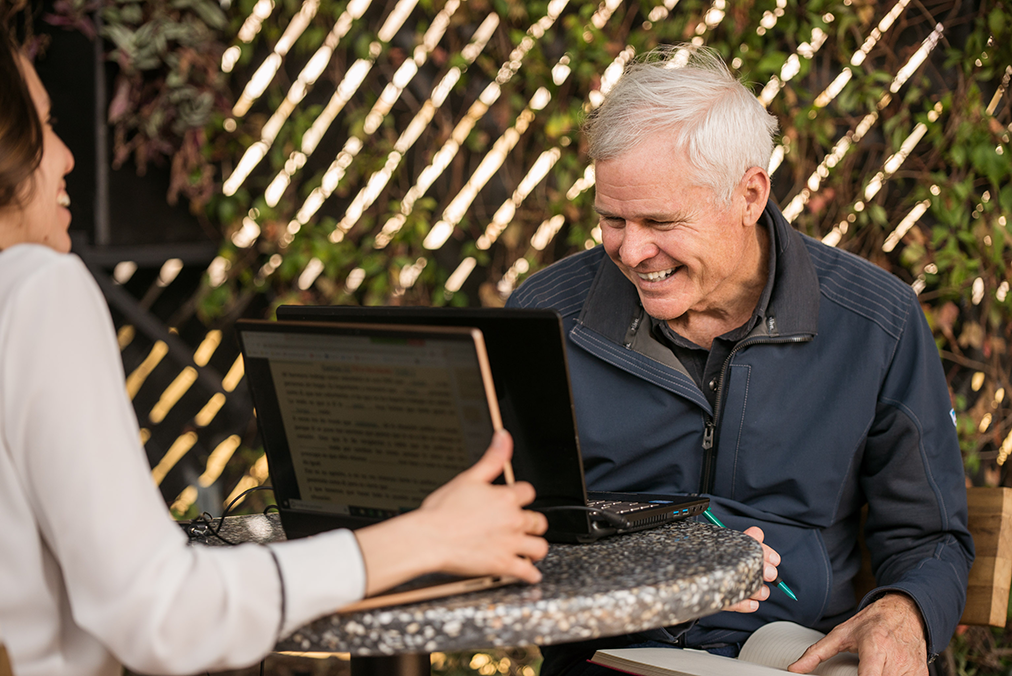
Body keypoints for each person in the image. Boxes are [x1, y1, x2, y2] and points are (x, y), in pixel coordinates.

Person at [0, 31, 549, 676]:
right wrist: (428, 536)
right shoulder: (34, 287)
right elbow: (160, 613)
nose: (64, 157)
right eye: (42, 126)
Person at [507, 45, 974, 676]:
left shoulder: (875, 322)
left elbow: (930, 534)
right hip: (609, 656)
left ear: (749, 195)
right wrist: (647, 563)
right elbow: (502, 524)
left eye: (660, 220)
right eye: (611, 219)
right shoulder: (546, 319)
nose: (632, 249)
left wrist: (905, 608)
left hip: (796, 652)